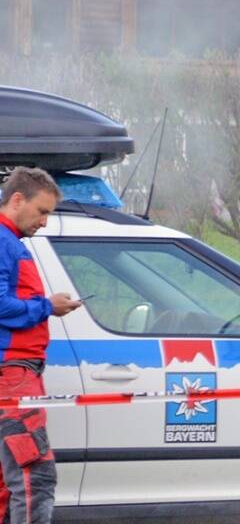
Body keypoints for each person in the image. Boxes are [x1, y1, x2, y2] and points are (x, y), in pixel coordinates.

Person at [0, 167, 81, 523]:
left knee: (7, 483)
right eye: (42, 211)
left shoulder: (10, 242)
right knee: (34, 475)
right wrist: (49, 306)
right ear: (17, 199)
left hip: (16, 374)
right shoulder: (3, 242)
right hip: (12, 375)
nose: (45, 223)